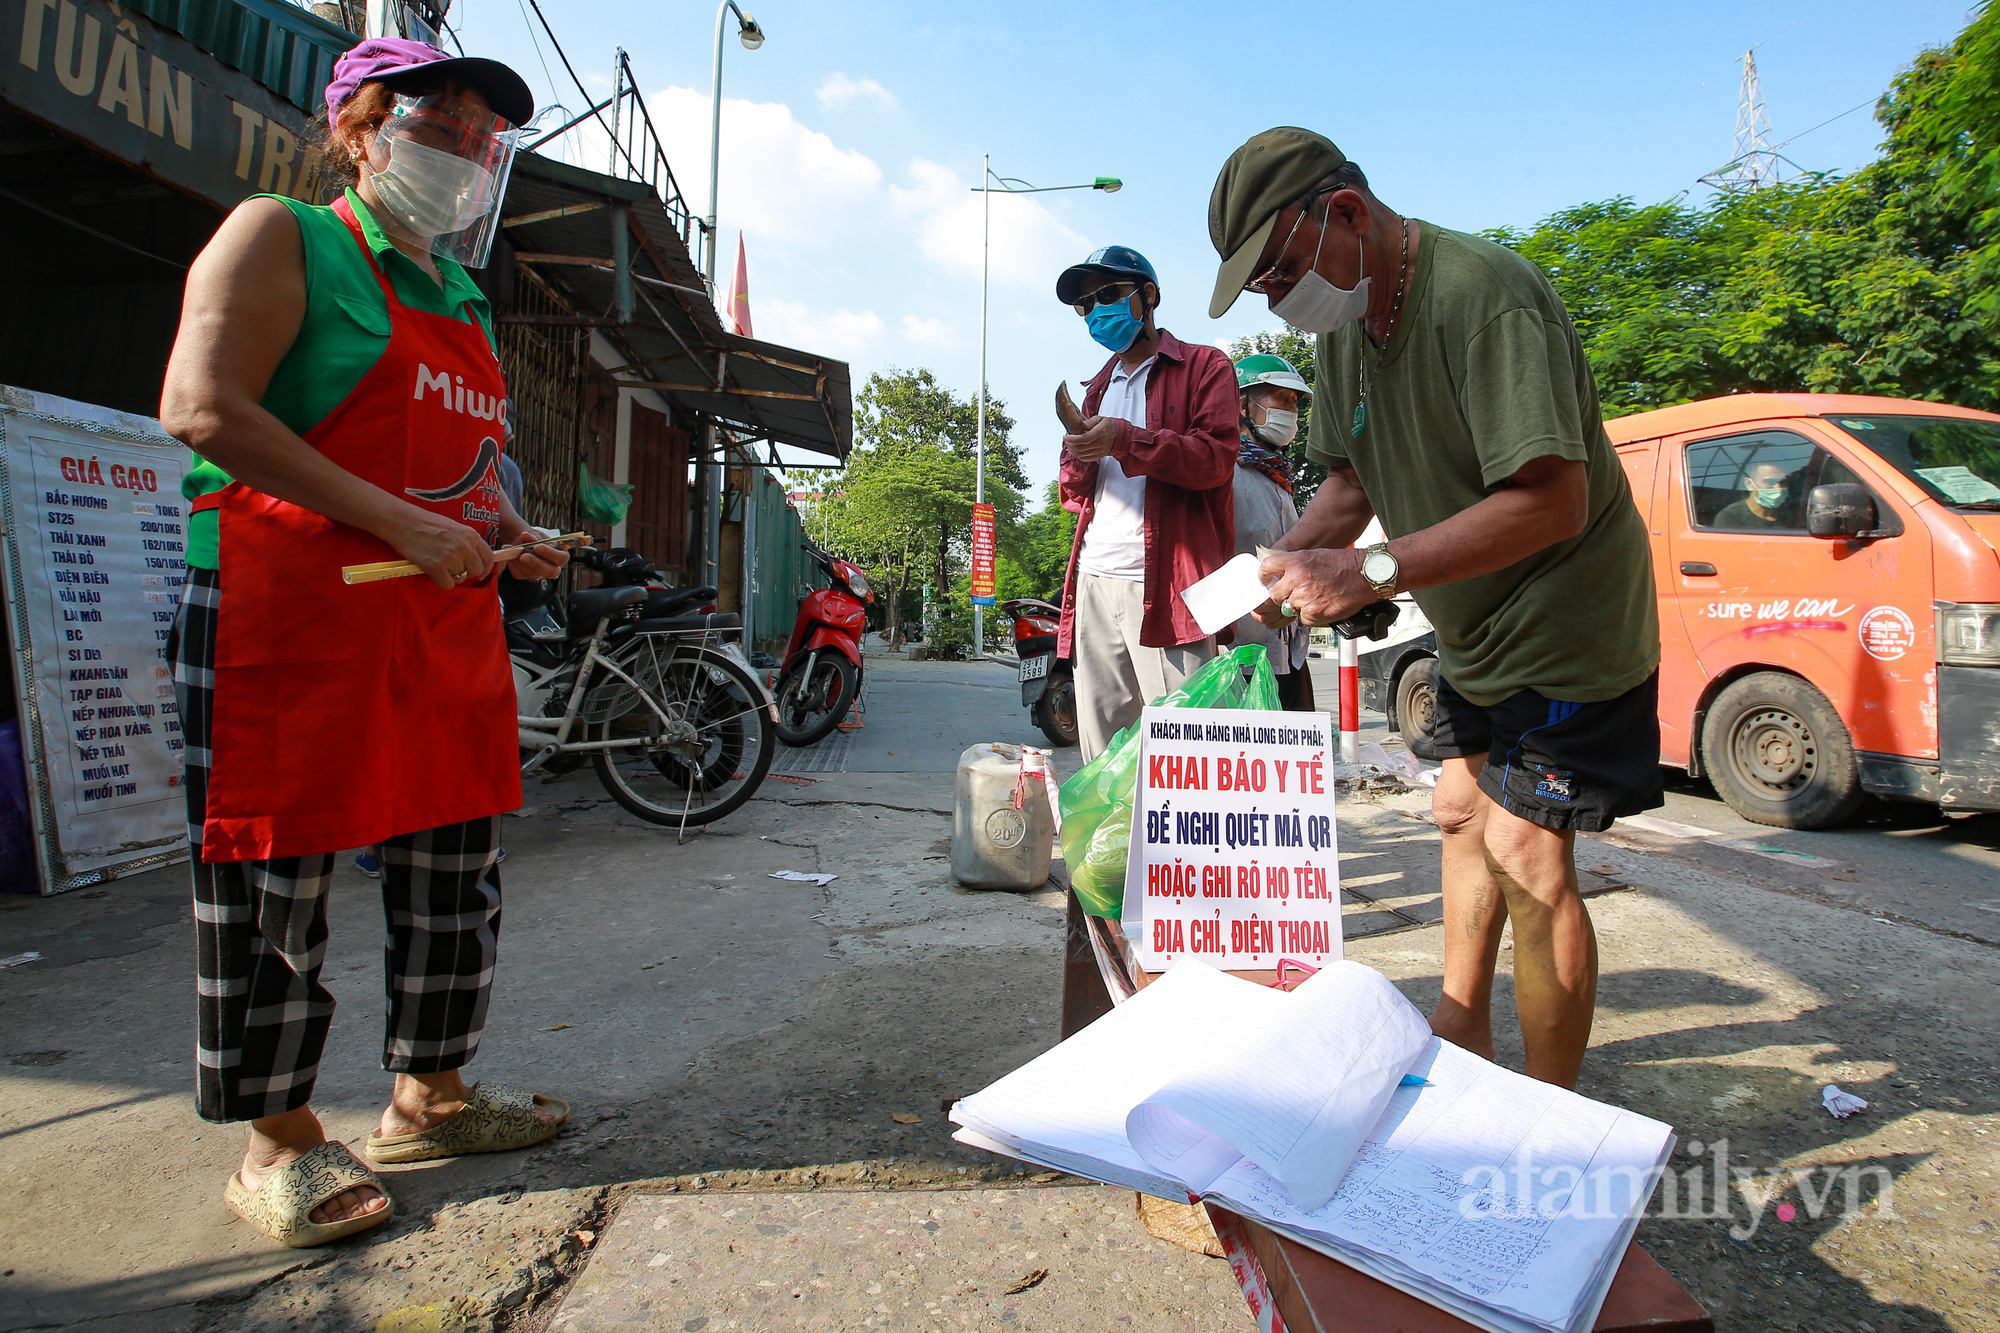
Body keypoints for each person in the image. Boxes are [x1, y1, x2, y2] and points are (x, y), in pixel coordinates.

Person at [158, 38, 570, 1248]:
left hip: (434, 618)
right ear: (357, 130)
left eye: (484, 142)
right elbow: (203, 407)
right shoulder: (281, 236)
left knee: (455, 871)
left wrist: (508, 526)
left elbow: (461, 465)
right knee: (273, 876)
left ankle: (427, 1095)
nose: (466, 158)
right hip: (286, 611)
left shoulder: (459, 294)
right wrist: (402, 523)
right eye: (441, 129)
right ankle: (275, 1140)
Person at [1207, 128, 1661, 1089]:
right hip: (1471, 621)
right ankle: (1463, 1030)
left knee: (1525, 853)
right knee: (1459, 812)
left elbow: (1553, 499)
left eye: (1282, 270)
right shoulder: (1342, 334)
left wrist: (1367, 571)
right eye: (1261, 289)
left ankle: (1546, 1117)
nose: (1280, 300)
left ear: (1346, 213)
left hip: (1565, 615)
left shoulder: (1483, 297)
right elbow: (1349, 484)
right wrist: (1268, 571)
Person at [1054, 245, 1240, 761]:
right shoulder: (1095, 390)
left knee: (1190, 752)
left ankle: (1184, 847)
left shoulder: (1205, 367)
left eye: (1109, 295)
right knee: (1104, 750)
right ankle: (1112, 845)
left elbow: (1215, 460)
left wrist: (1123, 440)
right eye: (1085, 305)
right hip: (1094, 578)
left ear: (1149, 296)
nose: (1096, 311)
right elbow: (1073, 495)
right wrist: (1081, 454)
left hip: (1172, 584)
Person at [1230, 353, 1315, 710]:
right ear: (1240, 404)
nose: (1291, 410)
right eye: (1280, 398)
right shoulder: (1222, 473)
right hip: (1240, 662)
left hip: (1289, 654)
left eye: (1294, 402)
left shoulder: (1278, 478)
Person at [1713, 462, 1791, 528]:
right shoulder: (1730, 517)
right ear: (1749, 484)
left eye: (1783, 481)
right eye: (1769, 481)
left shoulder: (1789, 513)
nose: (1779, 487)